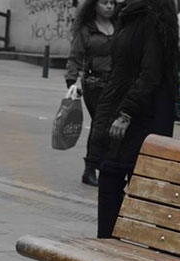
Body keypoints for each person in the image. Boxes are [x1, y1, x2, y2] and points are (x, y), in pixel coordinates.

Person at [90, 0, 180, 238]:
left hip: (142, 117)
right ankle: (107, 246)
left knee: (133, 182)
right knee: (110, 177)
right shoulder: (130, 15)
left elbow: (150, 74)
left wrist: (126, 113)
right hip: (123, 106)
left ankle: (120, 248)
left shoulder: (152, 18)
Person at [64, 0, 115, 187]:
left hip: (115, 84)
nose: (109, 6)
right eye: (104, 3)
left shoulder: (118, 26)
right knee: (100, 123)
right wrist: (71, 81)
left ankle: (104, 164)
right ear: (94, 5)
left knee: (108, 125)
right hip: (93, 84)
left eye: (112, 3)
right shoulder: (86, 29)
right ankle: (90, 168)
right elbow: (75, 56)